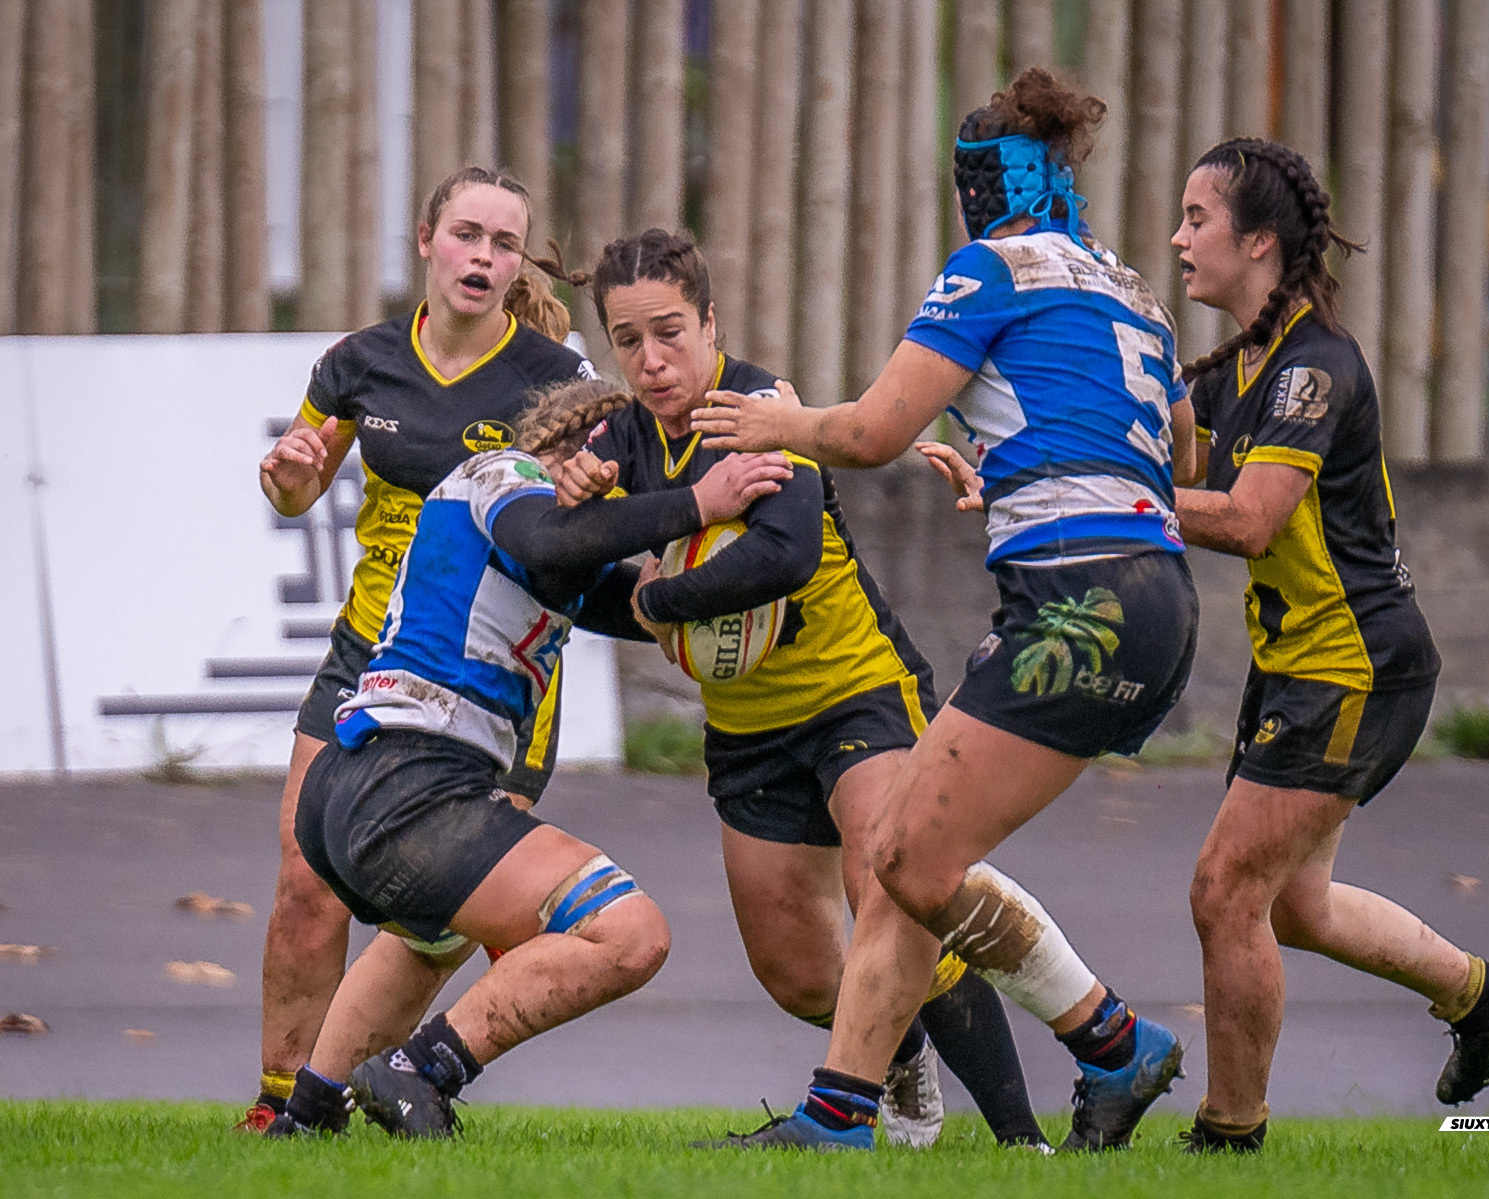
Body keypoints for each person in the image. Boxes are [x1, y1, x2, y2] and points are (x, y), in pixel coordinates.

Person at [688, 69, 1197, 1152]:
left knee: (907, 856)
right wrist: (1022, 465)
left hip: (1077, 599)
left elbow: (870, 432)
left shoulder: (991, 270)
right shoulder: (1135, 291)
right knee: (909, 852)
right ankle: (842, 1112)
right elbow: (1179, 456)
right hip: (1160, 599)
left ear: (979, 188)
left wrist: (778, 424)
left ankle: (1114, 1042)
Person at [543, 228, 1051, 1150]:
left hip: (856, 692)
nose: (652, 360)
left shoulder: (763, 408)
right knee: (795, 972)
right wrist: (583, 502)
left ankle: (1023, 1143)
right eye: (628, 340)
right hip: (748, 729)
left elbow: (783, 555)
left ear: (710, 323)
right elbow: (563, 565)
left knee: (894, 889)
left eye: (670, 332)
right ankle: (894, 1054)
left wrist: (659, 597)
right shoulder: (620, 442)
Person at [264, 378, 795, 1137]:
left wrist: (732, 585)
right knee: (629, 932)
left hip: (366, 782)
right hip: (408, 782)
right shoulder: (504, 474)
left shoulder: (550, 543)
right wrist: (698, 503)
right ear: (586, 448)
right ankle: (423, 1069)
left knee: (432, 938)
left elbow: (636, 602)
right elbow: (549, 541)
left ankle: (310, 1117)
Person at [1167, 138, 1489, 1153]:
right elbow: (1177, 467)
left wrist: (1112, 498)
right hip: (1298, 666)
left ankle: (1229, 1137)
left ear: (1258, 240)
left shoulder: (1315, 368)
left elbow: (1248, 518)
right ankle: (1487, 1000)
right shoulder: (1238, 366)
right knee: (1294, 907)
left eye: (1197, 219)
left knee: (1225, 890)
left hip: (1356, 668)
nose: (1178, 239)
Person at [244, 165, 595, 1131]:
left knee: (435, 912)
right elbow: (296, 489)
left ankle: (364, 1084)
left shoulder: (559, 381)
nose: (483, 257)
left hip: (495, 679)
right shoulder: (360, 363)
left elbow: (587, 522)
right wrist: (287, 474)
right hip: (370, 652)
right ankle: (279, 1104)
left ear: (519, 264)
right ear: (426, 239)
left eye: (504, 243)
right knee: (305, 884)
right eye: (466, 234)